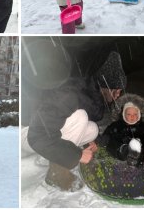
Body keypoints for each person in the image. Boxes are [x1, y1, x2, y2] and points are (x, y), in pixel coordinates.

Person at [26, 49, 127, 191]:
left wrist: (96, 142)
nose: (117, 96)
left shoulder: (90, 94)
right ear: (106, 86)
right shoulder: (70, 94)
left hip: (44, 132)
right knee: (81, 117)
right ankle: (56, 173)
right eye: (116, 91)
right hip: (27, 133)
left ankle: (63, 153)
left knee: (92, 129)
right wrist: (77, 155)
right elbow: (37, 136)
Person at [101, 93, 144, 167]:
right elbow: (110, 130)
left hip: (141, 149)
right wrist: (106, 136)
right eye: (129, 114)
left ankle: (138, 157)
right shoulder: (118, 124)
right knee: (114, 142)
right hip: (122, 147)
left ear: (139, 114)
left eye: (135, 114)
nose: (132, 117)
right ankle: (124, 151)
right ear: (124, 114)